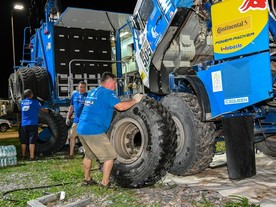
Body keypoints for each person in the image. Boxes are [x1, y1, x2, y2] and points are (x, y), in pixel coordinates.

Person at [77, 72, 143, 187]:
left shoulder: (93, 92)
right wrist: (135, 100)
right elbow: (121, 107)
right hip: (94, 131)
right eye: (114, 82)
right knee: (110, 157)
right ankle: (105, 183)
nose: (115, 85)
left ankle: (87, 179)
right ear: (108, 82)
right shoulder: (108, 93)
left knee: (89, 155)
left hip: (82, 129)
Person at [20, 89, 48, 161]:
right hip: (32, 123)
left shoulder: (22, 102)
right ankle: (31, 157)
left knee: (23, 141)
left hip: (23, 124)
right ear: (31, 95)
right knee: (32, 141)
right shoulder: (35, 102)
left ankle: (23, 156)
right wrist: (48, 110)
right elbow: (42, 110)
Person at [66, 81, 88, 159]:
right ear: (78, 87)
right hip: (76, 120)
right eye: (80, 87)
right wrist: (68, 117)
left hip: (85, 120)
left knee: (84, 137)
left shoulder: (88, 96)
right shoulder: (74, 95)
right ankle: (71, 153)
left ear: (85, 88)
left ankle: (86, 154)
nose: (81, 88)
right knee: (72, 136)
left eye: (83, 87)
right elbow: (71, 106)